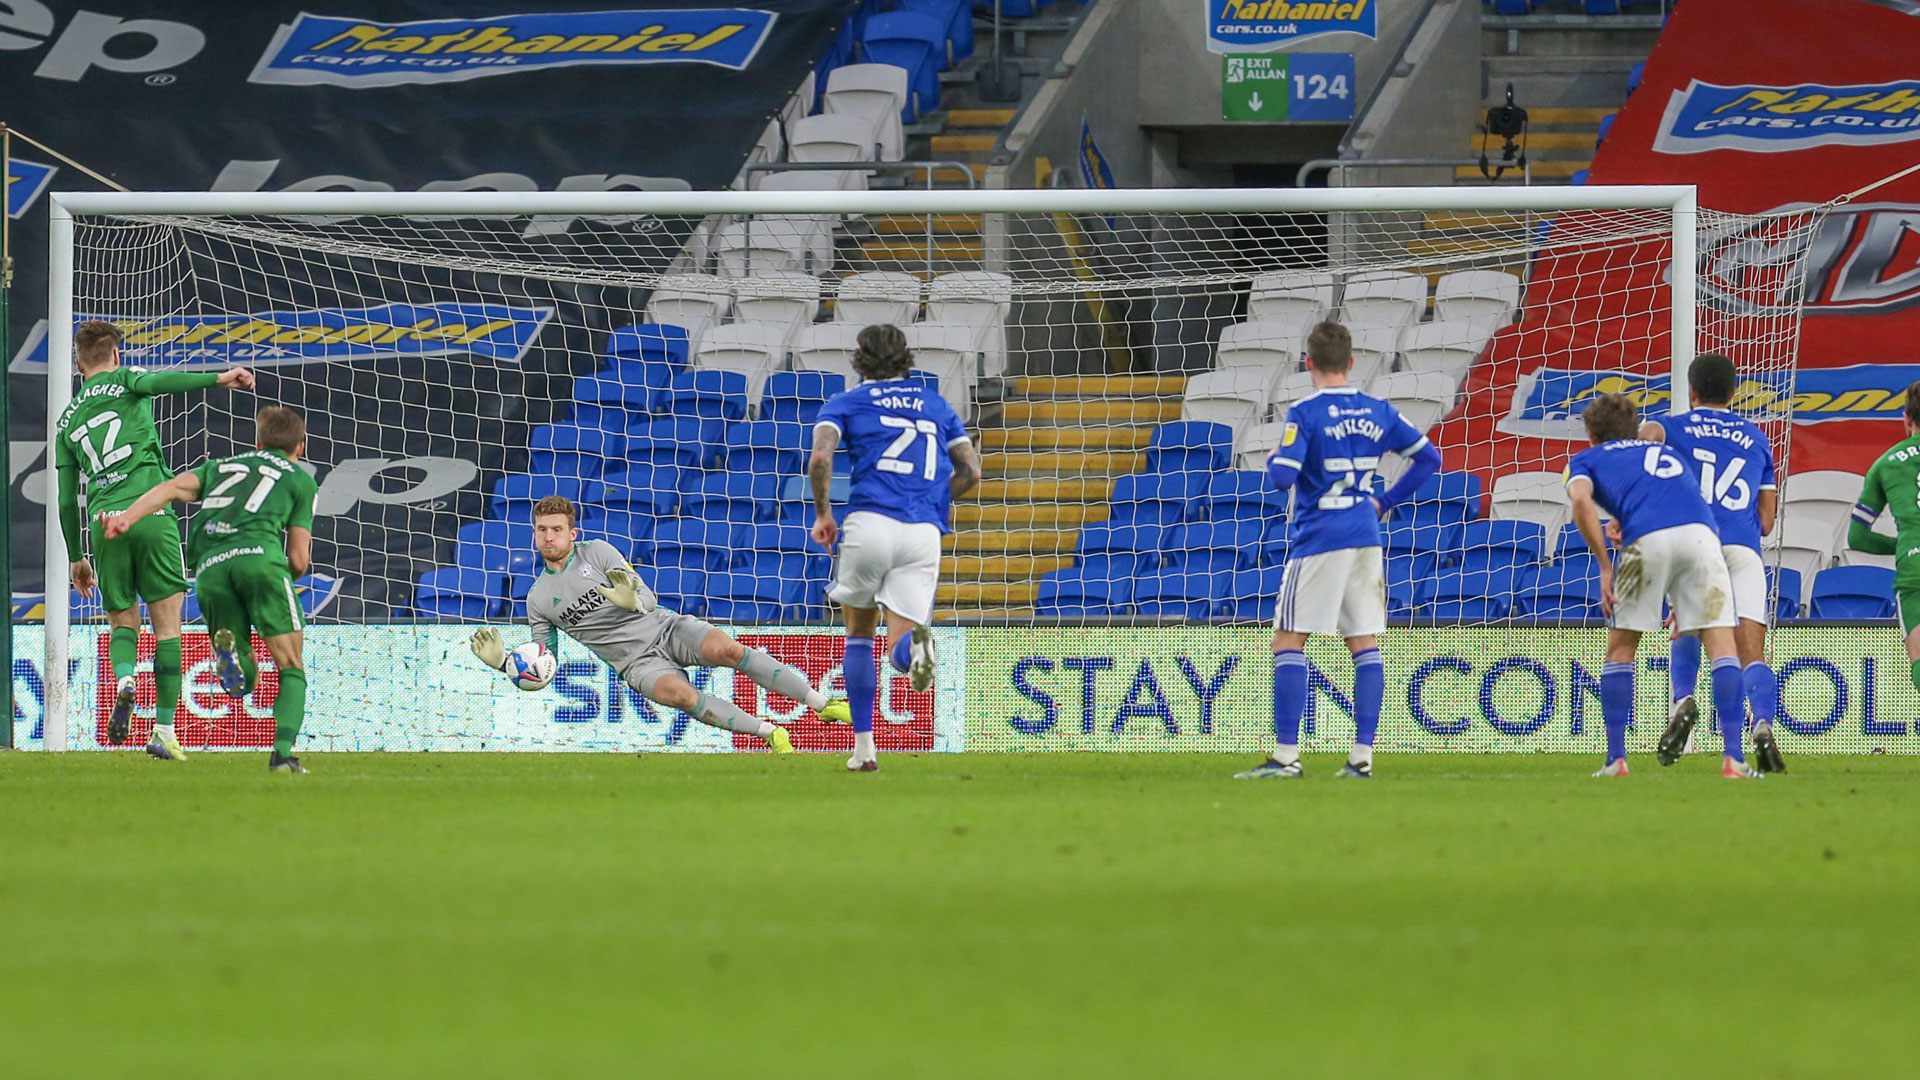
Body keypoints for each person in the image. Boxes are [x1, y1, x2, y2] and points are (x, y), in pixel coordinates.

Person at [469, 496, 850, 750]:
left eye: (556, 529)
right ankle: (772, 733)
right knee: (681, 696)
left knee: (728, 649)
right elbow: (544, 663)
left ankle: (822, 702)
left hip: (665, 628)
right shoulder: (537, 597)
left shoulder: (598, 552)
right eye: (541, 529)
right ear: (534, 534)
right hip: (635, 663)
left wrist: (629, 599)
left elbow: (648, 599)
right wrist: (505, 662)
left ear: (573, 533)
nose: (549, 536)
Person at [1234, 322, 1442, 780]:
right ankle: (1361, 757)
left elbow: (1283, 478)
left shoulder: (1305, 412)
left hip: (1320, 536)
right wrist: (1385, 501)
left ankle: (1287, 757)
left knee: (1289, 639)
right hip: (1365, 533)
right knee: (1363, 641)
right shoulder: (1378, 410)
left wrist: (1275, 455)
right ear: (1351, 363)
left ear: (1308, 363)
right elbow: (1430, 458)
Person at [55, 319, 254, 759]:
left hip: (105, 525)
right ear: (115, 356)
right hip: (149, 511)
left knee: (122, 623)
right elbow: (163, 380)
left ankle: (126, 680)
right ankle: (163, 730)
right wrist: (219, 377)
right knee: (167, 626)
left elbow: (67, 501)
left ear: (77, 362)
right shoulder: (127, 381)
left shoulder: (66, 423)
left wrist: (76, 557)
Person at [103, 407, 317, 773]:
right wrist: (273, 580)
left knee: (239, 684)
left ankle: (231, 658)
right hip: (261, 561)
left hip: (210, 568)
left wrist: (127, 518)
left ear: (258, 442)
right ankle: (283, 756)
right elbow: (298, 560)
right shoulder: (300, 480)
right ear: (302, 446)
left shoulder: (221, 467)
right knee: (290, 665)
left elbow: (170, 487)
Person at [808, 324, 981, 772]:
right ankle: (915, 652)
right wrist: (931, 501)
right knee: (900, 642)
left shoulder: (846, 402)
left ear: (859, 361)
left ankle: (865, 750)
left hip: (871, 522)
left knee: (859, 634)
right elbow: (971, 471)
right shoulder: (936, 404)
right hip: (923, 530)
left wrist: (824, 514)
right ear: (907, 360)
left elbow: (821, 458)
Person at [1565, 393, 1760, 779]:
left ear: (1590, 434)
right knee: (1722, 647)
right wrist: (1682, 589)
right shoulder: (1668, 456)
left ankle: (1616, 759)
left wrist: (1605, 566)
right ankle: (1734, 759)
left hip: (1647, 543)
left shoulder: (1587, 459)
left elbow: (1581, 503)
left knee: (1621, 649)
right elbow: (1697, 513)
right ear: (1633, 429)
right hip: (1704, 540)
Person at [1639, 353, 1784, 772]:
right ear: (1735, 392)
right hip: (1743, 548)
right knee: (1750, 653)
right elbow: (1768, 521)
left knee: (1686, 625)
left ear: (1692, 391)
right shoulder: (1757, 437)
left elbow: (1645, 441)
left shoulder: (1671, 426)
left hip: (1695, 543)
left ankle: (1683, 699)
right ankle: (1761, 723)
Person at [1848, 380, 1920, 709]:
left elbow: (1857, 536)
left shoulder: (1886, 463)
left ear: (1906, 418)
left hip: (1914, 565)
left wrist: (1905, 543)